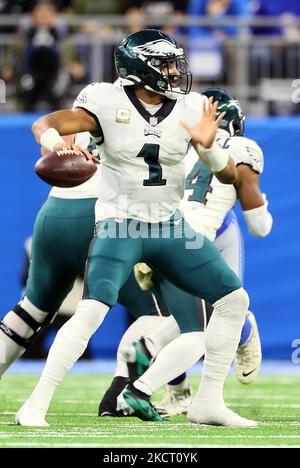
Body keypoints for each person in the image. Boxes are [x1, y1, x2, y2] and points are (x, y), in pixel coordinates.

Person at [16, 28, 256, 428]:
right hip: (121, 223)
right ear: (139, 67)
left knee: (234, 300)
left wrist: (210, 148)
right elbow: (45, 122)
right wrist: (56, 142)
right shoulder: (106, 99)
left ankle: (207, 402)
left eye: (175, 63)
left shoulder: (191, 106)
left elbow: (228, 175)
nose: (175, 72)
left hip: (170, 225)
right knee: (91, 311)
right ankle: (35, 404)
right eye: (165, 64)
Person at [99, 88, 272, 418]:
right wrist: (263, 206)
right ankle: (241, 333)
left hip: (154, 231)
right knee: (214, 318)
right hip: (193, 240)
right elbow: (260, 226)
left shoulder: (175, 140)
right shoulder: (242, 147)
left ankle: (163, 372)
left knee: (185, 318)